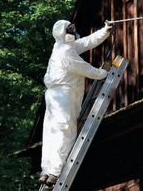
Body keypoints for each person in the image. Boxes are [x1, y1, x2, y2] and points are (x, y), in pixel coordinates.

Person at [39, 20, 112, 189]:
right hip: (64, 95)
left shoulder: (62, 47)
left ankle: (47, 171)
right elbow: (86, 69)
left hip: (55, 95)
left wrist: (105, 31)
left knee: (52, 133)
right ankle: (55, 173)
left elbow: (87, 42)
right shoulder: (65, 52)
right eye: (70, 28)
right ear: (63, 33)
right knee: (65, 131)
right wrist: (104, 73)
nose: (74, 30)